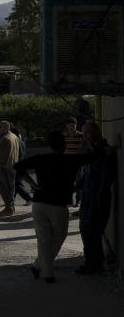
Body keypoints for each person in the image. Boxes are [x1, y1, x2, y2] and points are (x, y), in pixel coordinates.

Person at [14, 130, 120, 283]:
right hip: (58, 206)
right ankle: (43, 270)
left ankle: (41, 269)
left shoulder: (40, 159)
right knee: (58, 238)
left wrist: (31, 183)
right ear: (64, 145)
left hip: (39, 203)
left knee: (44, 239)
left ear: (50, 145)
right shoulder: (71, 161)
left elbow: (17, 166)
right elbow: (96, 155)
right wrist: (116, 146)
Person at [77, 121, 118, 274]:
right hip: (88, 198)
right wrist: (75, 186)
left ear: (96, 132)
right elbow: (88, 175)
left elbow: (106, 179)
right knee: (86, 230)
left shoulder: (105, 151)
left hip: (97, 199)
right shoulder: (93, 150)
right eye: (84, 134)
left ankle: (93, 265)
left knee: (91, 232)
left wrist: (98, 201)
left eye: (88, 133)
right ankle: (93, 262)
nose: (86, 137)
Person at [0, 120, 20, 216]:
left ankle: (8, 208)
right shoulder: (14, 136)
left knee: (4, 189)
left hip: (4, 168)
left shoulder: (5, 139)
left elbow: (2, 155)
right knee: (10, 188)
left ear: (5, 128)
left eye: (0, 127)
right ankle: (11, 207)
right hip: (13, 166)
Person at [64, 117, 85, 206]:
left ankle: (78, 200)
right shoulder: (63, 136)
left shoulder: (81, 135)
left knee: (78, 181)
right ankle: (69, 200)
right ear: (67, 126)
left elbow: (85, 147)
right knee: (68, 182)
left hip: (78, 162)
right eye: (70, 126)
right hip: (67, 163)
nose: (72, 127)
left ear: (76, 126)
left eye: (73, 125)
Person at [12, 127, 33, 205]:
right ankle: (11, 200)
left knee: (17, 184)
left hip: (16, 165)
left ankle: (28, 198)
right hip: (22, 164)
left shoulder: (15, 142)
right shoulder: (21, 142)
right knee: (16, 183)